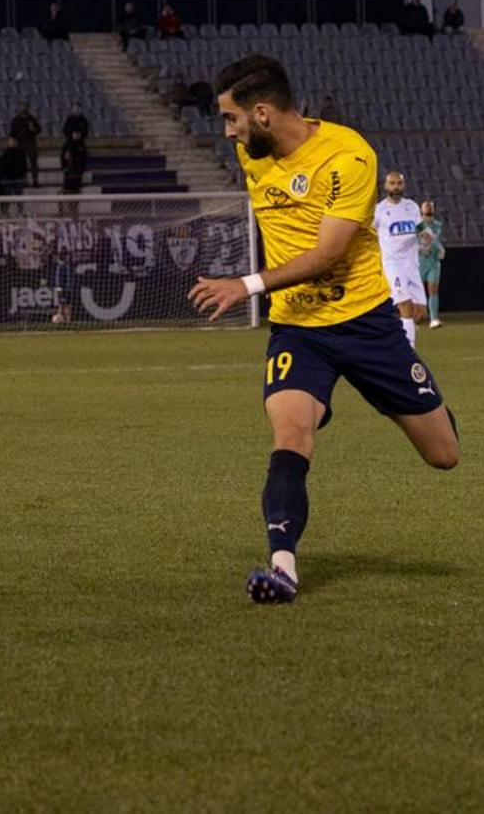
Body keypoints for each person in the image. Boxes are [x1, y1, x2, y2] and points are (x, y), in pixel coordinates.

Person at [188, 55, 459, 606]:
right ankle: (282, 567)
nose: (228, 133)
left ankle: (417, 397)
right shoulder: (252, 152)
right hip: (298, 331)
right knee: (290, 434)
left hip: (367, 324)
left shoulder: (348, 155)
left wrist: (246, 284)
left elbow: (328, 254)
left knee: (444, 454)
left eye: (232, 118)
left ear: (262, 114)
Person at [375, 171, 428, 346]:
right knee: (404, 305)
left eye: (399, 183)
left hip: (412, 264)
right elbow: (368, 234)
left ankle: (391, 337)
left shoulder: (412, 207)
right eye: (392, 184)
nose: (396, 187)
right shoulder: (379, 211)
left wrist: (428, 240)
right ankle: (408, 349)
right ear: (385, 186)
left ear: (403, 185)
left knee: (420, 314)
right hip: (392, 264)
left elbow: (422, 230)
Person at [416, 199, 445, 329]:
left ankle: (434, 319)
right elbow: (412, 241)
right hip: (419, 261)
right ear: (421, 209)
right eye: (426, 206)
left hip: (433, 261)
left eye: (430, 206)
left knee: (433, 289)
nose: (428, 208)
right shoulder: (418, 225)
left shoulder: (438, 225)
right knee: (417, 291)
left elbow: (436, 241)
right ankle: (415, 319)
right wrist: (420, 249)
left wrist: (441, 249)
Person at [9, 103, 42, 187]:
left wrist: (33, 129)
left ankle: (35, 181)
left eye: (26, 107)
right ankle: (23, 181)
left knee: (33, 163)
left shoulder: (32, 119)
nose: (24, 108)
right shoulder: (16, 119)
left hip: (31, 143)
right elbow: (12, 133)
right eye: (23, 107)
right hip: (20, 144)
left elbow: (39, 130)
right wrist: (12, 141)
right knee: (21, 164)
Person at [60, 130, 87, 195]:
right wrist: (64, 166)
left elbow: (84, 158)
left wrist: (82, 168)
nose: (77, 135)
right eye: (75, 133)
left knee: (76, 189)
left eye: (78, 133)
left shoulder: (82, 145)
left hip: (78, 172)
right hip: (69, 171)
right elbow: (63, 157)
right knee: (68, 187)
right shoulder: (68, 144)